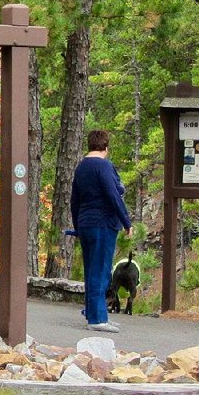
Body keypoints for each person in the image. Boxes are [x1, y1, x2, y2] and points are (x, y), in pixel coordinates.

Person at [71, 129, 132, 333]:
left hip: (85, 223)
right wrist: (126, 221)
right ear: (105, 147)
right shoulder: (103, 166)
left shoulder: (81, 168)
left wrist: (78, 225)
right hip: (103, 223)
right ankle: (98, 319)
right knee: (101, 270)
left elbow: (74, 200)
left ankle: (93, 312)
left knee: (91, 270)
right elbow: (113, 195)